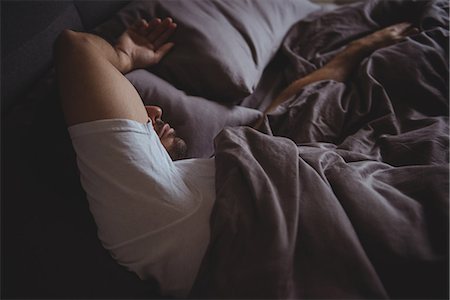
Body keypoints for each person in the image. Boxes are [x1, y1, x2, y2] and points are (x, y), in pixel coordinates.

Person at [54, 17, 418, 297]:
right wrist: (124, 57)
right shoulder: (148, 207)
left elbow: (282, 116)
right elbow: (77, 48)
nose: (152, 111)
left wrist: (358, 49)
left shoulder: (223, 180)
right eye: (142, 122)